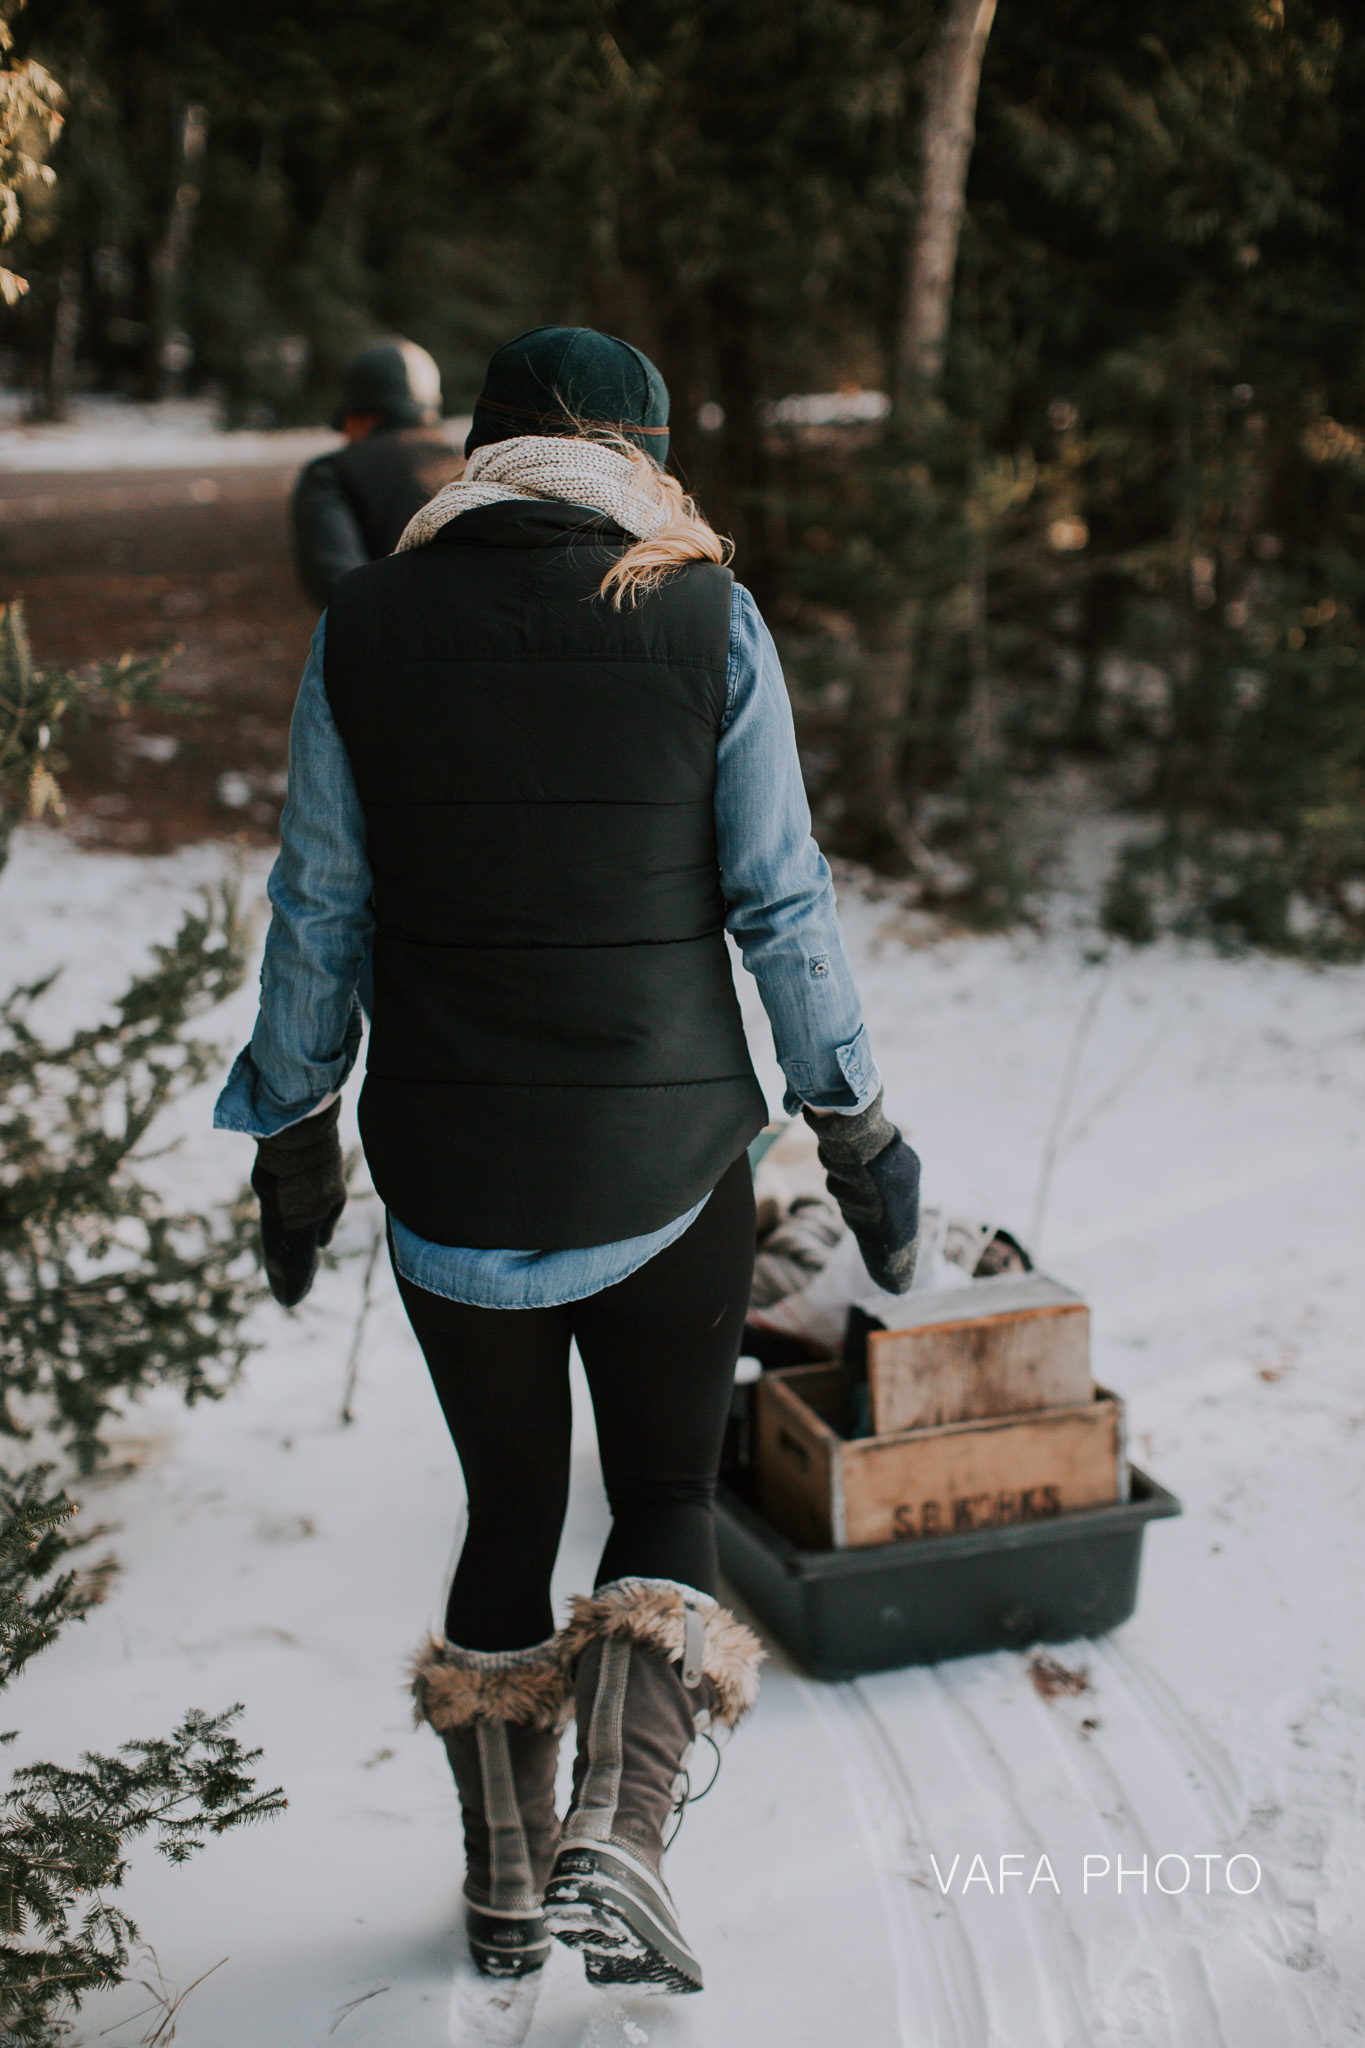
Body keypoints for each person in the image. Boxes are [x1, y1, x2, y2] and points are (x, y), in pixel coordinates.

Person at [215, 325, 921, 1994]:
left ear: (485, 451)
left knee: (510, 1503)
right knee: (665, 1489)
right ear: (639, 457)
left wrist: (296, 1132)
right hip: (665, 1158)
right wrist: (856, 1117)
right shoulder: (700, 613)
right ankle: (625, 1824)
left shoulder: (368, 624)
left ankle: (506, 1882)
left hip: (452, 1166)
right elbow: (782, 902)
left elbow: (321, 903)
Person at [290, 336, 464, 607]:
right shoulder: (471, 461)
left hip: (394, 640)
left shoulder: (331, 474)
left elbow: (338, 585)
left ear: (359, 417)